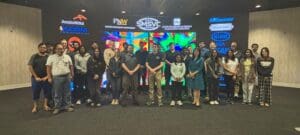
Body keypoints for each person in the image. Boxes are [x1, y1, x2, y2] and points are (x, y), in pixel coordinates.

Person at [46, 43, 74, 115]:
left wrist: (72, 74)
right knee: (57, 93)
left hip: (67, 76)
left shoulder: (67, 56)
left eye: (61, 49)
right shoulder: (51, 57)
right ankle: (57, 107)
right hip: (57, 77)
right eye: (58, 49)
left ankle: (67, 106)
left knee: (67, 92)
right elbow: (48, 68)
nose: (60, 50)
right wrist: (49, 77)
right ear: (55, 50)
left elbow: (71, 66)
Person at [28, 43, 52, 113]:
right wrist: (36, 77)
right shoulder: (34, 56)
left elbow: (51, 68)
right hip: (36, 79)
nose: (43, 49)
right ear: (38, 48)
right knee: (35, 92)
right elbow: (30, 67)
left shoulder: (48, 57)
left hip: (46, 78)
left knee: (47, 92)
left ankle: (45, 105)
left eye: (44, 48)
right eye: (41, 47)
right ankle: (35, 106)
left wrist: (47, 77)